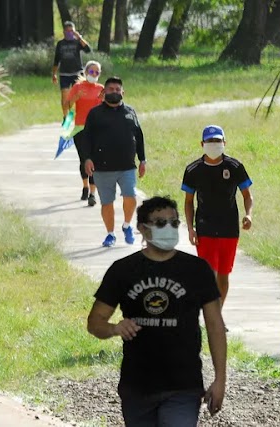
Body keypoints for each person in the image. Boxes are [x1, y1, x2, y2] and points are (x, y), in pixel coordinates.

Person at [87, 196, 227, 426]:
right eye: (160, 223)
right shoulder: (123, 270)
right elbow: (95, 322)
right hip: (137, 386)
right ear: (143, 229)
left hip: (183, 385)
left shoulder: (197, 270)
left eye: (174, 222)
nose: (169, 228)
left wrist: (220, 378)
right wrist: (114, 328)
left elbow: (215, 325)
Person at [182, 125, 253, 309]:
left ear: (224, 143)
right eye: (210, 141)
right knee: (208, 274)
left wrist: (249, 215)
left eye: (217, 141)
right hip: (205, 227)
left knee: (223, 274)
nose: (214, 144)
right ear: (202, 144)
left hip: (229, 228)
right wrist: (191, 228)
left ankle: (217, 315)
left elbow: (247, 195)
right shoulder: (193, 170)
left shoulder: (235, 166)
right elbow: (189, 202)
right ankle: (209, 313)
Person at [81, 76, 147, 247]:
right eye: (111, 89)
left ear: (123, 92)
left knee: (130, 196)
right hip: (102, 168)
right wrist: (87, 158)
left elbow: (139, 137)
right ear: (103, 92)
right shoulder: (95, 114)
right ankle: (110, 234)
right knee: (107, 203)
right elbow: (86, 138)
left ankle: (127, 225)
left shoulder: (130, 112)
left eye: (118, 90)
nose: (114, 92)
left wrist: (143, 160)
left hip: (127, 166)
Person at [65, 60, 104, 206]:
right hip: (80, 128)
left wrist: (103, 100)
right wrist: (75, 97)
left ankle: (93, 194)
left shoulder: (101, 89)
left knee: (93, 160)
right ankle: (85, 186)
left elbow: (106, 109)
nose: (94, 74)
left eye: (97, 72)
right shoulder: (78, 87)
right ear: (86, 72)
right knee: (83, 159)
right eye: (91, 72)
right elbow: (67, 105)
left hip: (96, 130)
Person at [52, 21, 91, 119]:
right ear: (64, 32)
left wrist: (79, 37)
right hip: (64, 74)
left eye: (71, 31)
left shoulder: (77, 42)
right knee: (64, 96)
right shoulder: (60, 44)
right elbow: (57, 60)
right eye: (67, 31)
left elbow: (88, 49)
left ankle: (78, 115)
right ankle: (66, 117)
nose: (70, 33)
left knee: (78, 96)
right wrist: (54, 74)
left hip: (77, 73)